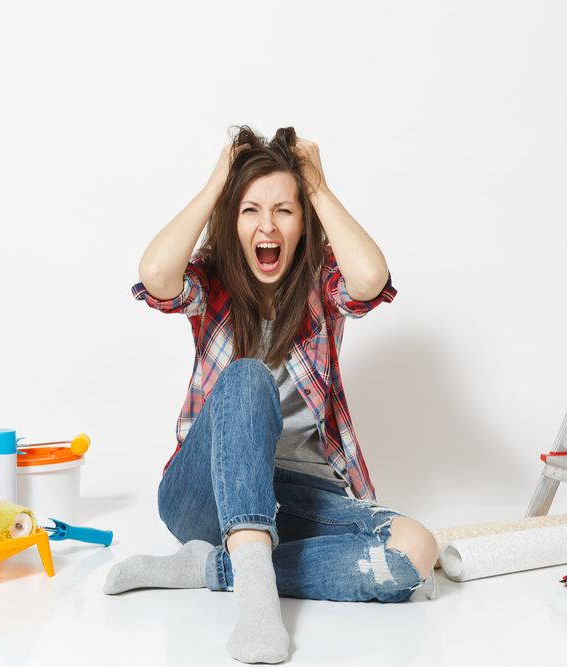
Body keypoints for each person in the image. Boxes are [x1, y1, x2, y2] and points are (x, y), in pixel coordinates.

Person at [105, 126, 438, 664]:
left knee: (415, 552)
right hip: (204, 491)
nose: (267, 225)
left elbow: (370, 277)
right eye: (250, 211)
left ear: (304, 222)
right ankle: (257, 603)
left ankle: (209, 568)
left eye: (285, 210)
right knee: (245, 377)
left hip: (299, 490)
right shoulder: (211, 281)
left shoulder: (321, 285)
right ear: (231, 222)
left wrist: (318, 185)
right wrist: (220, 180)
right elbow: (156, 274)